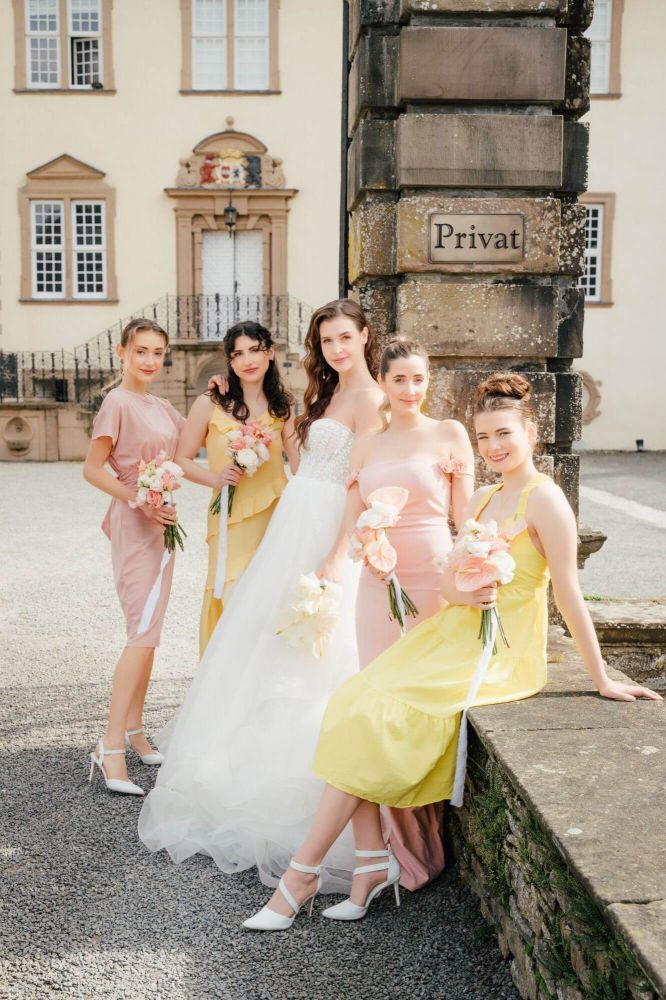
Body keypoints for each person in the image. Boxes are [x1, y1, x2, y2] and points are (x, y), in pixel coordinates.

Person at [243, 371, 661, 931]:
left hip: (501, 648)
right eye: (484, 437)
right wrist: (463, 592)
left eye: (504, 433)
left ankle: (302, 875)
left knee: (374, 711)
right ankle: (367, 863)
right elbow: (448, 580)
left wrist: (602, 676)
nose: (493, 446)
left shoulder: (545, 500)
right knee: (352, 699)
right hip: (455, 628)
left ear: (532, 432)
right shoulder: (484, 498)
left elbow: (568, 593)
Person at [138, 298, 385, 891]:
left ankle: (316, 786)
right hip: (296, 516)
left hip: (326, 523)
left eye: (344, 338)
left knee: (318, 642)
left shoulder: (371, 399)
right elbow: (299, 454)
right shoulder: (322, 392)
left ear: (365, 336)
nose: (335, 349)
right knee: (266, 630)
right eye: (326, 341)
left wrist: (338, 551)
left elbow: (362, 479)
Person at [319, 338, 474, 891]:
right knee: (378, 702)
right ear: (382, 383)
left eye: (418, 379)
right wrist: (335, 562)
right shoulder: (366, 444)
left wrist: (473, 574)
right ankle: (384, 847)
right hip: (377, 582)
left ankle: (421, 849)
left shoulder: (450, 433)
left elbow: (465, 519)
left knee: (420, 704)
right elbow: (351, 517)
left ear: (429, 380)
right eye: (399, 380)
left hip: (433, 577)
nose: (410, 390)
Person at [83, 319, 185, 796]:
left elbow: (186, 455)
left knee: (151, 635)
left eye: (157, 352)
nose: (149, 360)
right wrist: (138, 499)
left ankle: (135, 729)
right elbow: (92, 469)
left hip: (162, 524)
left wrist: (222, 481)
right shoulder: (117, 402)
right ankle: (109, 747)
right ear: (122, 352)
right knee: (140, 633)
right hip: (135, 521)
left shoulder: (161, 406)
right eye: (141, 350)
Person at [174, 321, 297, 656]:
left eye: (255, 350)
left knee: (270, 598)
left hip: (275, 514)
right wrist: (215, 479)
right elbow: (181, 459)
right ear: (229, 360)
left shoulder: (283, 406)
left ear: (270, 353)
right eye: (238, 354)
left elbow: (299, 464)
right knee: (231, 591)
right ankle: (226, 672)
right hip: (229, 516)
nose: (247, 360)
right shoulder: (210, 402)